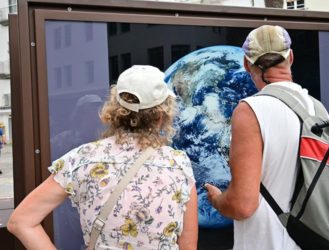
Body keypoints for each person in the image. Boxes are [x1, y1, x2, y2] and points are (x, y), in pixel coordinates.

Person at [7, 65, 198, 250]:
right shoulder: (178, 165)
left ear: (114, 111)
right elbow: (188, 246)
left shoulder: (81, 159)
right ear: (161, 117)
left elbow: (21, 222)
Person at [205, 25, 312, 249]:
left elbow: (242, 205)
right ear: (290, 57)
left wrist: (217, 200)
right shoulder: (314, 108)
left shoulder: (250, 110)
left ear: (246, 63)